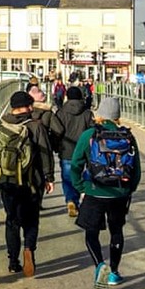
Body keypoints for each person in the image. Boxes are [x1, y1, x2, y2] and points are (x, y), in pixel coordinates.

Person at [69, 97, 141, 289]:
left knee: (91, 233)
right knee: (116, 231)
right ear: (117, 116)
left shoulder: (90, 135)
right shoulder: (128, 137)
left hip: (95, 190)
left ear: (99, 114)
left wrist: (81, 187)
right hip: (119, 193)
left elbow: (75, 165)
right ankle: (114, 273)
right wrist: (128, 190)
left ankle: (100, 264)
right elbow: (136, 171)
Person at [0, 91, 55, 277]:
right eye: (31, 106)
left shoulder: (0, 126)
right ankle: (29, 249)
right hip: (31, 181)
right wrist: (49, 177)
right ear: (27, 107)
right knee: (31, 220)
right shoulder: (35, 126)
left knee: (12, 221)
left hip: (7, 181)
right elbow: (45, 153)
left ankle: (13, 262)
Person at [49, 86, 94, 217]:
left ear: (66, 97)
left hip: (66, 150)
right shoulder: (87, 113)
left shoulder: (60, 113)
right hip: (84, 151)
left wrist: (56, 147)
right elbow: (92, 132)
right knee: (84, 174)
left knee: (67, 177)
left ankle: (70, 200)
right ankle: (82, 195)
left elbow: (56, 132)